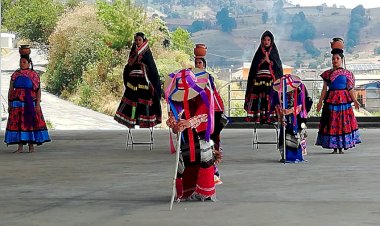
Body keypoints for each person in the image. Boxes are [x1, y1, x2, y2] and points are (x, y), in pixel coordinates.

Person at [164, 68, 217, 201]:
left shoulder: (204, 93)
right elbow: (174, 115)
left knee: (204, 160)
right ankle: (185, 192)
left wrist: (189, 122)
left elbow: (206, 115)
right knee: (184, 162)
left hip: (200, 134)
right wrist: (175, 124)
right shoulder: (175, 99)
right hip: (185, 136)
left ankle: (204, 192)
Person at [315, 38, 361, 153]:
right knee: (332, 123)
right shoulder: (327, 74)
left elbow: (350, 88)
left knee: (343, 123)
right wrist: (320, 102)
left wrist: (355, 100)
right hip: (331, 100)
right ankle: (335, 147)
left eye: (337, 58)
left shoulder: (347, 74)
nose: (335, 60)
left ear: (341, 60)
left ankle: (342, 146)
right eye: (333, 59)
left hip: (344, 101)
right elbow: (324, 89)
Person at [4, 50, 51, 153]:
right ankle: (20, 147)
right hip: (17, 104)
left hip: (30, 103)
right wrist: (9, 103)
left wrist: (37, 104)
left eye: (24, 62)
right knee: (18, 124)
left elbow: (38, 90)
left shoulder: (33, 75)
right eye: (20, 62)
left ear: (29, 64)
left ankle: (31, 146)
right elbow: (11, 90)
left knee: (30, 123)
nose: (22, 64)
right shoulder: (15, 74)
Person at [114, 32, 162, 128]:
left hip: (144, 82)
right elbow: (129, 65)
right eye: (136, 40)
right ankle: (131, 121)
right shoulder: (133, 52)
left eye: (139, 40)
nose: (137, 42)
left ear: (143, 40)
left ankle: (146, 122)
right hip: (133, 83)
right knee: (132, 100)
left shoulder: (146, 52)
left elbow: (152, 68)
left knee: (144, 100)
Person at [194, 57, 226, 185]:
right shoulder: (191, 78)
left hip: (211, 112)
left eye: (200, 63)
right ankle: (199, 176)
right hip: (196, 114)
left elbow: (211, 95)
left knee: (209, 142)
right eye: (196, 63)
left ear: (204, 65)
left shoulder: (208, 78)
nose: (197, 64)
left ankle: (213, 173)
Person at [244, 30, 283, 124]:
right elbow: (254, 68)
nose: (266, 42)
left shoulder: (274, 53)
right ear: (262, 41)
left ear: (271, 41)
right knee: (260, 98)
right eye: (264, 40)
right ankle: (259, 117)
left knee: (270, 97)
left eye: (268, 40)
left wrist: (269, 61)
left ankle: (270, 117)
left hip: (270, 81)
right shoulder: (258, 53)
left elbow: (278, 68)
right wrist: (262, 61)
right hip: (259, 81)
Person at [272, 74, 313, 163]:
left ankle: (296, 155)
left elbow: (300, 106)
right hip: (284, 118)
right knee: (284, 135)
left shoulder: (299, 89)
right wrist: (280, 117)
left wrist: (289, 111)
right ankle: (285, 155)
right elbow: (276, 105)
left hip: (296, 118)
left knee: (296, 134)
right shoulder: (277, 91)